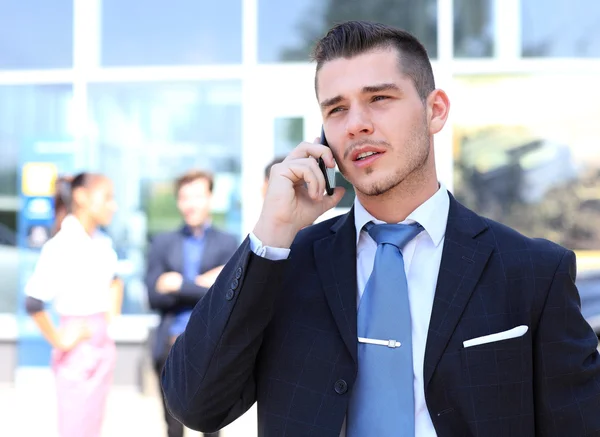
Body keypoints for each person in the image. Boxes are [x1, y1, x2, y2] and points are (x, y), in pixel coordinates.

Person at [161, 21, 600, 437]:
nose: (356, 124)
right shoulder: (285, 265)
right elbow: (196, 404)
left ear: (435, 110)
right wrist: (271, 232)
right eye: (336, 109)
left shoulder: (532, 272)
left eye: (379, 98)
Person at [25, 172, 123, 437]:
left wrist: (109, 319)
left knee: (93, 427)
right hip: (78, 353)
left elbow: (115, 280)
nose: (113, 205)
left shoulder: (102, 242)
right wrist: (60, 340)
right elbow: (33, 302)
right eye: (107, 198)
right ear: (81, 197)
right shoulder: (62, 245)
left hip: (102, 348)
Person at [145, 169, 238, 437]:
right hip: (171, 342)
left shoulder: (227, 242)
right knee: (173, 426)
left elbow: (228, 298)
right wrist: (204, 283)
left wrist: (179, 284)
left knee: (211, 425)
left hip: (211, 343)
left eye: (197, 196)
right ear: (178, 202)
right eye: (185, 197)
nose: (191, 204)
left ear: (210, 198)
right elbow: (153, 296)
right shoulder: (163, 243)